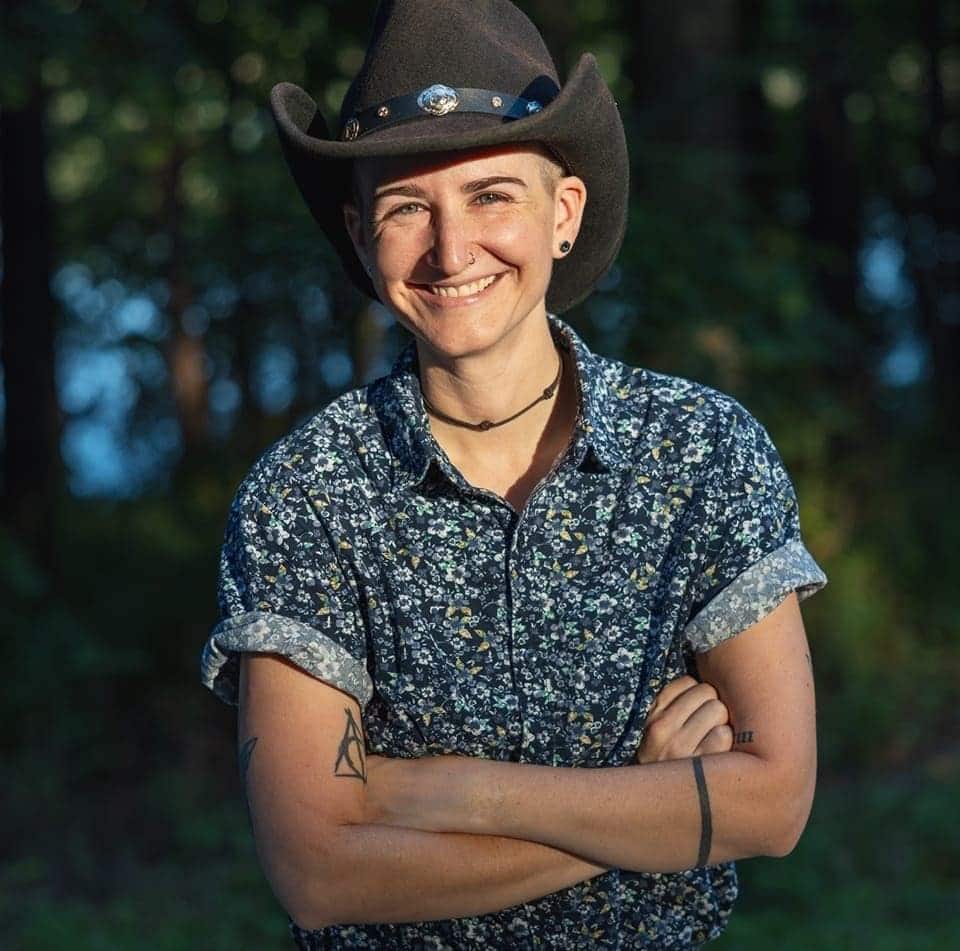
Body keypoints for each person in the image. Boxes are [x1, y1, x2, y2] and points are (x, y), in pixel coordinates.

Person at [199, 1, 829, 947]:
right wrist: (650, 807)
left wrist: (457, 791)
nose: (453, 251)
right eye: (408, 206)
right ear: (362, 235)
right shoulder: (305, 496)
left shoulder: (703, 451)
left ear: (563, 212)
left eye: (491, 194)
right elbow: (317, 871)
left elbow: (775, 803)